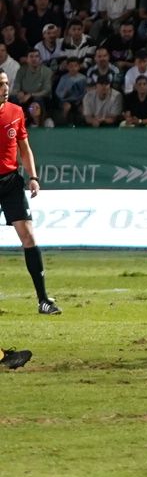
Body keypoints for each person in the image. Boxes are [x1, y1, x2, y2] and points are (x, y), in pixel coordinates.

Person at [0, 72, 58, 315]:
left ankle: (43, 300)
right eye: (0, 83)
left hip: (11, 182)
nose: (5, 87)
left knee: (29, 238)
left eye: (6, 82)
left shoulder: (15, 112)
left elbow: (24, 147)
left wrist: (33, 177)